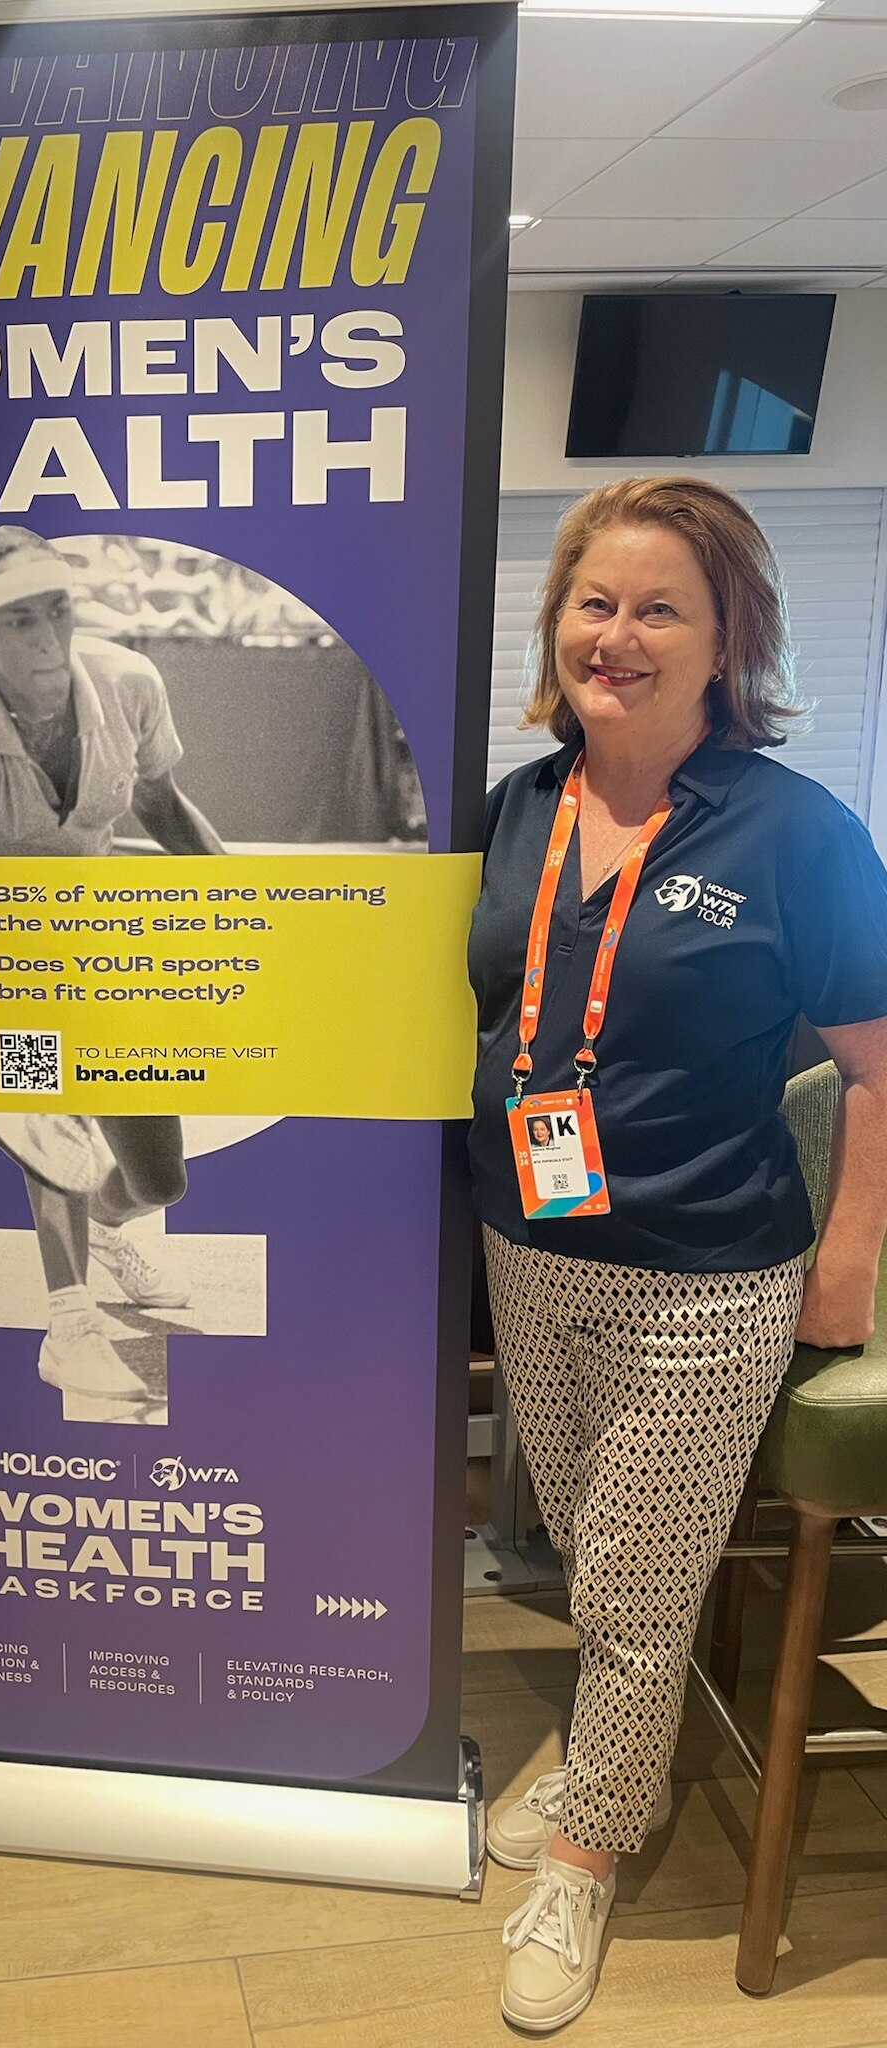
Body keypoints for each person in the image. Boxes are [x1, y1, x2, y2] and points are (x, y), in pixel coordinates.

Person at [469, 477, 887, 2032]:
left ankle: (589, 1854)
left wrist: (846, 1260)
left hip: (704, 1273)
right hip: (529, 1240)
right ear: (557, 623)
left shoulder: (798, 832)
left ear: (727, 642)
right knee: (586, 1539)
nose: (619, 636)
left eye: (662, 610)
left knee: (641, 1586)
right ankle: (612, 1762)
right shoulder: (520, 806)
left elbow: (877, 1065)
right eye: (596, 602)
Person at [0, 526, 224, 1409]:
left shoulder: (129, 684)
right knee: (50, 1137)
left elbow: (160, 803)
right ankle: (69, 1326)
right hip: (1, 961)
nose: (46, 639)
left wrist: (249, 906)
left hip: (104, 951)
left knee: (159, 1178)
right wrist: (12, 980)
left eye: (57, 612)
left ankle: (109, 1230)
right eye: (18, 622)